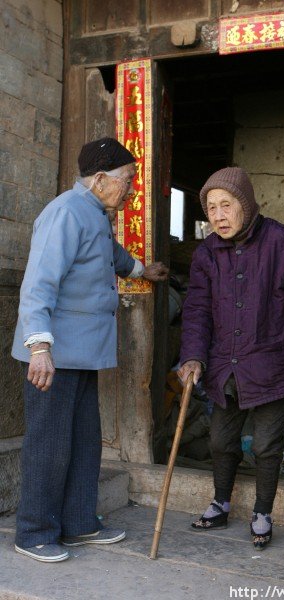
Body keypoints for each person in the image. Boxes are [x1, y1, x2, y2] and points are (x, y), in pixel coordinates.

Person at [11, 137, 169, 562]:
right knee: (49, 442)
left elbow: (108, 256)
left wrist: (142, 269)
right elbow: (38, 283)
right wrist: (40, 345)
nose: (132, 188)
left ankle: (79, 523)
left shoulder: (94, 214)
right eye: (127, 180)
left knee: (83, 440)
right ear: (99, 180)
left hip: (81, 354)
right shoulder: (64, 213)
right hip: (53, 355)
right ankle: (34, 532)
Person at [178, 167, 284, 550]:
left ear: (244, 204)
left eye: (225, 205)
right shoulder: (206, 253)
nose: (217, 216)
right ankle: (221, 502)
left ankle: (262, 511)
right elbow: (196, 309)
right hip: (224, 367)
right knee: (220, 441)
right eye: (210, 208)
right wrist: (193, 356)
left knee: (266, 444)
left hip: (275, 364)